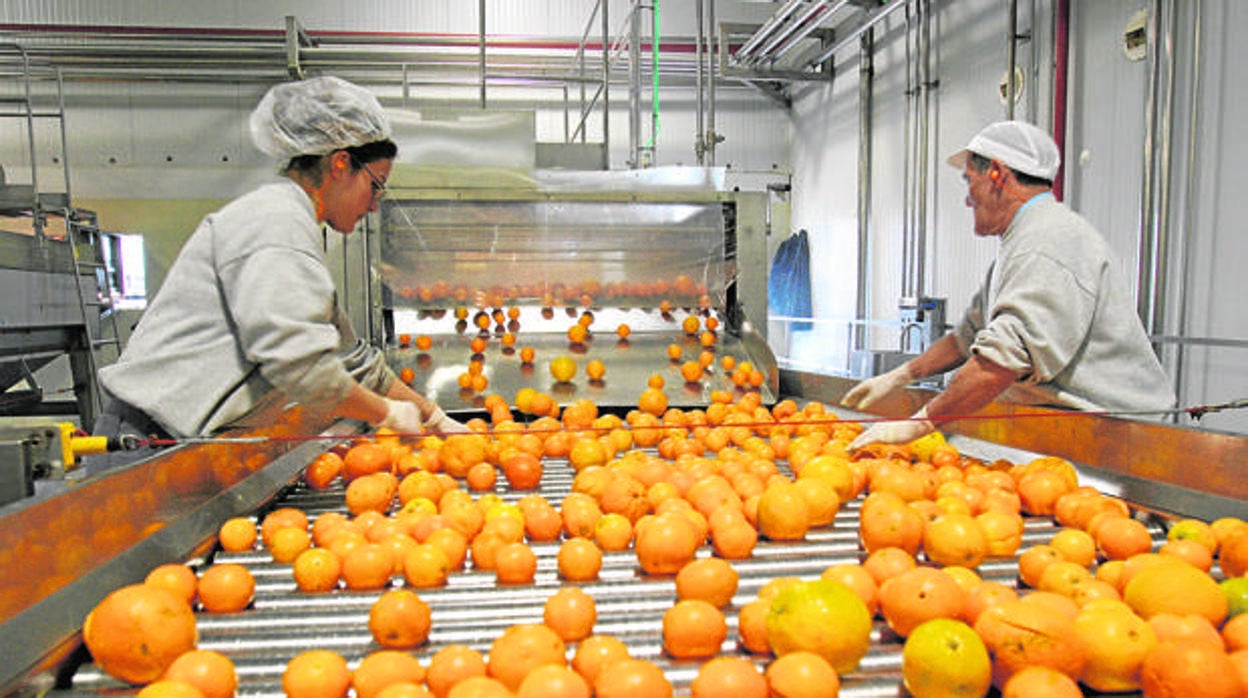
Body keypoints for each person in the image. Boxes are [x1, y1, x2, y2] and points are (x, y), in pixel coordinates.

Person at [87, 76, 467, 472]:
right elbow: (302, 368)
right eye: (375, 187)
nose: (374, 205)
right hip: (149, 442)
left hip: (179, 440)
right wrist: (385, 412)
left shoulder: (291, 224)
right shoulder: (276, 223)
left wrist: (434, 417)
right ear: (340, 164)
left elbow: (353, 360)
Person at [843, 120, 1175, 450]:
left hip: (1120, 444)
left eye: (969, 181)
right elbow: (967, 338)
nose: (967, 200)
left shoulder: (1049, 242)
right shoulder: (1022, 243)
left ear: (997, 175)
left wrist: (917, 424)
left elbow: (999, 363)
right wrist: (900, 376)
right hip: (1071, 435)